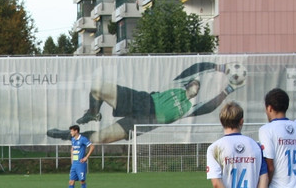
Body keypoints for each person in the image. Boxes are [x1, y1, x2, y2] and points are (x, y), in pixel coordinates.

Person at [48, 61, 247, 144]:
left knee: (99, 138)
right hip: (143, 100)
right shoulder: (177, 85)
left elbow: (210, 106)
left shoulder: (190, 109)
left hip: (145, 123)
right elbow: (195, 69)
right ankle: (93, 112)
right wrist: (218, 67)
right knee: (98, 88)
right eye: (194, 84)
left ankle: (69, 135)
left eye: (198, 88)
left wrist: (228, 90)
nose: (196, 87)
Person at [60, 124, 94, 188]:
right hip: (74, 164)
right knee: (71, 181)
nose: (71, 132)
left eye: (72, 131)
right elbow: (72, 149)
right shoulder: (73, 140)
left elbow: (92, 147)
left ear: (76, 131)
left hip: (81, 164)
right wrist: (71, 159)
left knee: (82, 181)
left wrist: (86, 157)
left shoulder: (83, 139)